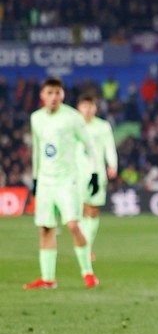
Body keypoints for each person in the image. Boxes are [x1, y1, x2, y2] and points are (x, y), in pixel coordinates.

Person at [25, 78, 101, 290]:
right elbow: (37, 150)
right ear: (42, 95)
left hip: (68, 180)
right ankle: (48, 279)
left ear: (63, 95)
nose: (54, 97)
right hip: (46, 181)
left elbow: (89, 145)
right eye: (50, 92)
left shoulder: (72, 117)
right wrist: (35, 179)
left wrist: (94, 174)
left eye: (57, 93)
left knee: (73, 225)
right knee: (46, 228)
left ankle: (88, 273)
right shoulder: (36, 118)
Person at [76, 93, 118, 262]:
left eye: (90, 106)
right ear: (79, 108)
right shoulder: (73, 125)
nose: (87, 110)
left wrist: (113, 164)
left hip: (98, 173)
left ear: (96, 108)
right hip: (77, 174)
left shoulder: (103, 126)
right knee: (81, 209)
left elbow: (109, 146)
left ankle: (87, 246)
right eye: (84, 106)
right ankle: (83, 246)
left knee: (93, 211)